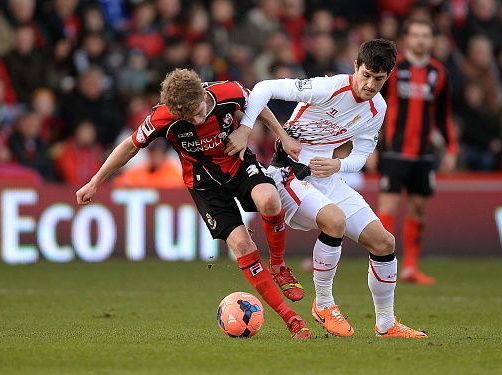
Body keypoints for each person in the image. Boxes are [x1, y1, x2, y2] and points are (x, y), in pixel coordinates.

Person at [76, 68, 310, 339]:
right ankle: (291, 319)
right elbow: (130, 146)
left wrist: (277, 134)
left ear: (203, 93)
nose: (197, 120)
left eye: (199, 111)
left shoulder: (227, 91)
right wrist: (95, 182)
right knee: (242, 245)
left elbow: (258, 104)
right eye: (189, 117)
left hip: (238, 164)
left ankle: (279, 265)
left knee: (269, 201)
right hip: (204, 185)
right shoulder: (162, 117)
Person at [226, 39, 427, 338]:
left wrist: (339, 165)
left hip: (327, 178)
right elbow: (263, 88)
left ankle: (386, 325)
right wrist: (246, 129)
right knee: (334, 220)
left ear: (388, 77)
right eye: (367, 75)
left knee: (384, 242)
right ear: (356, 66)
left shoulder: (377, 109)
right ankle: (323, 304)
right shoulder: (328, 87)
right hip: (288, 175)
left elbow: (360, 154)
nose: (370, 84)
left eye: (379, 79)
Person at [378, 18, 457, 285]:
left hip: (424, 153)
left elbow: (444, 115)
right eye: (416, 34)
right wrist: (371, 146)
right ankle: (381, 263)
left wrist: (451, 148)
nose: (421, 40)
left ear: (431, 40)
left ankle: (411, 266)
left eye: (426, 35)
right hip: (394, 150)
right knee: (387, 206)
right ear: (407, 39)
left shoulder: (439, 73)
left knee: (418, 207)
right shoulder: (392, 69)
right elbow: (376, 107)